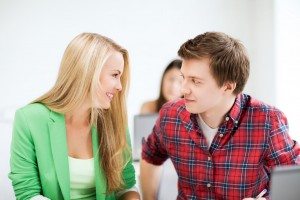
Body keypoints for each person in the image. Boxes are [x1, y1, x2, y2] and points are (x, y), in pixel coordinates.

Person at [140, 32, 300, 200]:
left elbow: (293, 183)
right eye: (183, 78)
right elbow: (150, 156)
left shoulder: (267, 121)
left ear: (227, 86)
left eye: (195, 81)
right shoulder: (170, 115)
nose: (183, 89)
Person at [9, 33, 140, 200]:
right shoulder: (29, 119)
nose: (120, 86)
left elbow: (126, 186)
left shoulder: (114, 121)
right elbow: (27, 194)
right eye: (115, 75)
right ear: (88, 72)